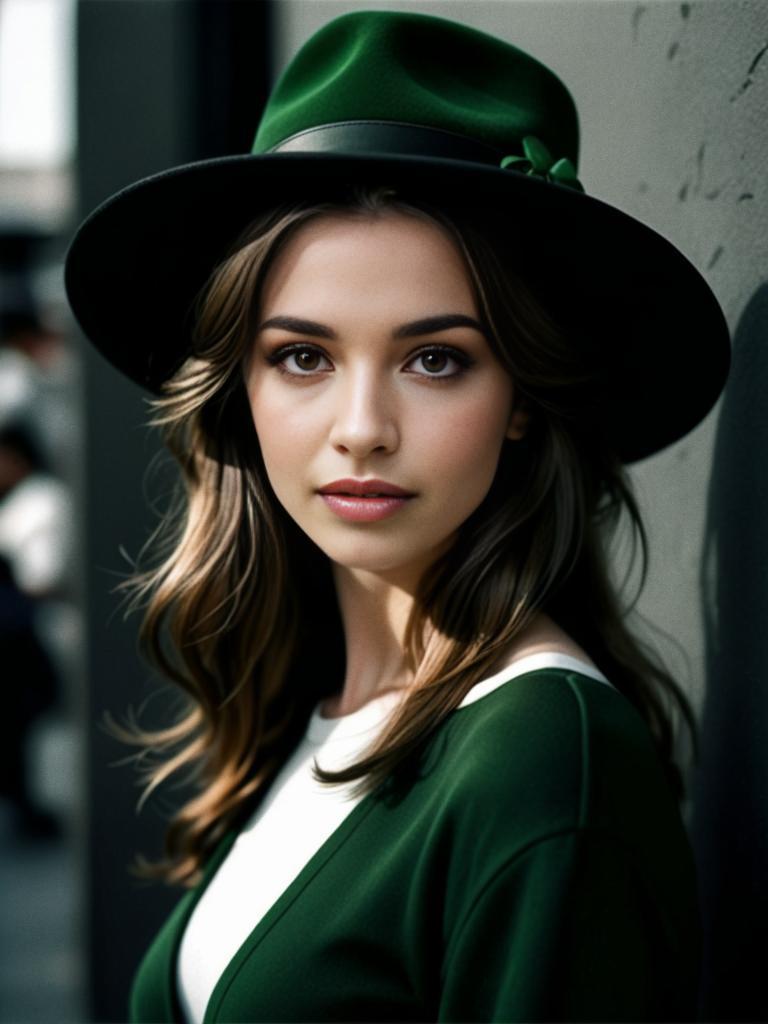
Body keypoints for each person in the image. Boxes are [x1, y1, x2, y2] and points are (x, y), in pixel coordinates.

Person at [64, 10, 730, 1023]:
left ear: (522, 400)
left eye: (436, 359)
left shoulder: (542, 766)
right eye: (303, 356)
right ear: (240, 387)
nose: (363, 428)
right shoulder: (310, 710)